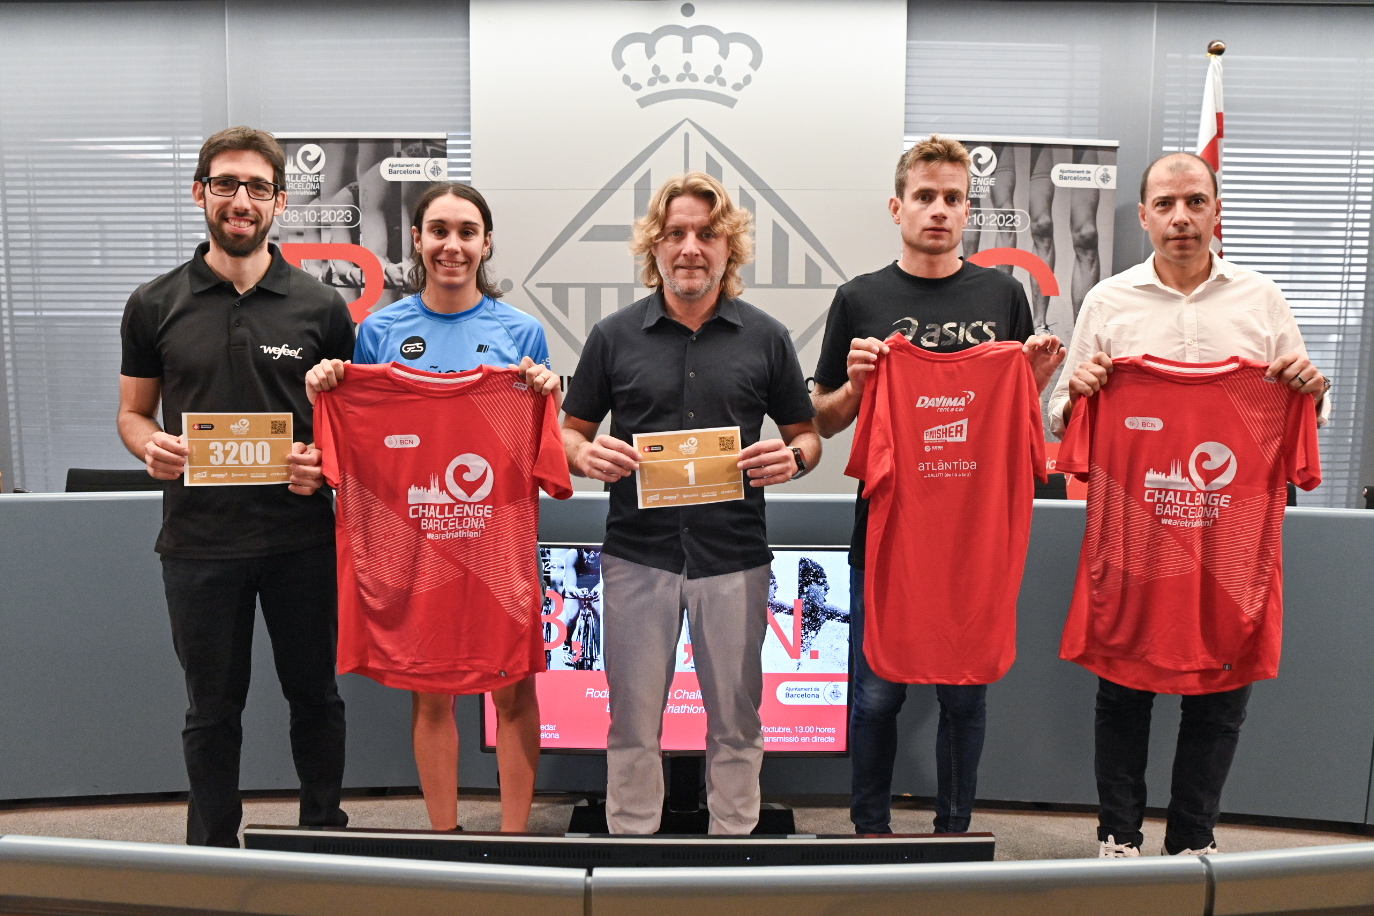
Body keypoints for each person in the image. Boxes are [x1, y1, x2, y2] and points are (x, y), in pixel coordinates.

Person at [1048, 151, 1331, 858]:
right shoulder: (1108, 302)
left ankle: (1193, 845)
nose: (1181, 217)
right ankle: (1118, 840)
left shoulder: (1262, 300)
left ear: (1216, 211)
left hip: (1231, 546)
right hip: (1136, 542)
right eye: (1167, 204)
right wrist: (1078, 393)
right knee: (1122, 697)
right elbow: (1062, 418)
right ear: (1144, 215)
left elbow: (1305, 418)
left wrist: (1310, 388)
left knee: (1220, 704)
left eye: (1196, 202)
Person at [810, 135, 1064, 836]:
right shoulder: (859, 298)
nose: (939, 210)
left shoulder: (1004, 295)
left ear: (967, 210)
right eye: (925, 196)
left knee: (964, 696)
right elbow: (822, 419)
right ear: (898, 207)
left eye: (953, 198)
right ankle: (870, 832)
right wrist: (858, 386)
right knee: (875, 694)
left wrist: (1035, 381)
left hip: (972, 539)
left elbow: (1015, 415)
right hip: (887, 532)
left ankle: (954, 833)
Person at [561, 172, 821, 835]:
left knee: (736, 723)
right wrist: (582, 455)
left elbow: (808, 435)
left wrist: (793, 459)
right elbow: (569, 432)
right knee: (631, 726)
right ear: (654, 245)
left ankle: (735, 855)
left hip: (733, 559)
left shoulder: (766, 337)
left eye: (706, 234)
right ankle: (629, 855)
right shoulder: (612, 336)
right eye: (675, 233)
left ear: (729, 246)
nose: (690, 248)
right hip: (636, 558)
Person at [116, 126, 353, 847]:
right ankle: (212, 854)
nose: (240, 200)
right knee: (211, 711)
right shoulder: (153, 303)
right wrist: (150, 445)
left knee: (315, 698)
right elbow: (132, 413)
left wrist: (324, 464)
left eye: (256, 187)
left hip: (300, 540)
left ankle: (324, 838)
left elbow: (348, 430)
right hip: (199, 544)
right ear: (200, 193)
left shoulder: (322, 307)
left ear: (279, 202)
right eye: (225, 184)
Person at [305, 182, 560, 833]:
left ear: (486, 243)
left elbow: (542, 446)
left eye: (466, 232)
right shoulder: (379, 332)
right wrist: (328, 388)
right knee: (431, 697)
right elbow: (361, 443)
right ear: (416, 240)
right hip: (416, 544)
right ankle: (444, 836)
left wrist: (545, 388)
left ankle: (514, 840)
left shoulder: (522, 333)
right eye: (439, 230)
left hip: (497, 544)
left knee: (515, 692)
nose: (452, 245)